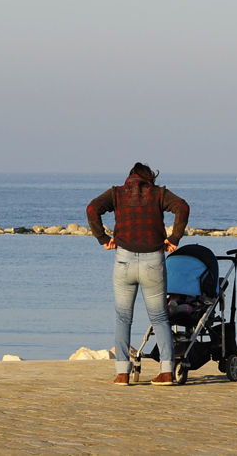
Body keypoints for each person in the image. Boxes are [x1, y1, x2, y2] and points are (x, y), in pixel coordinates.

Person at [86, 163, 190, 386]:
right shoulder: (159, 193)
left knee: (123, 318)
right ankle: (166, 372)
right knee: (160, 317)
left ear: (130, 177)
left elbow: (92, 209)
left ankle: (123, 373)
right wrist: (174, 238)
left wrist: (103, 238)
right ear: (149, 178)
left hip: (124, 260)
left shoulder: (116, 193)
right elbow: (182, 207)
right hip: (153, 260)